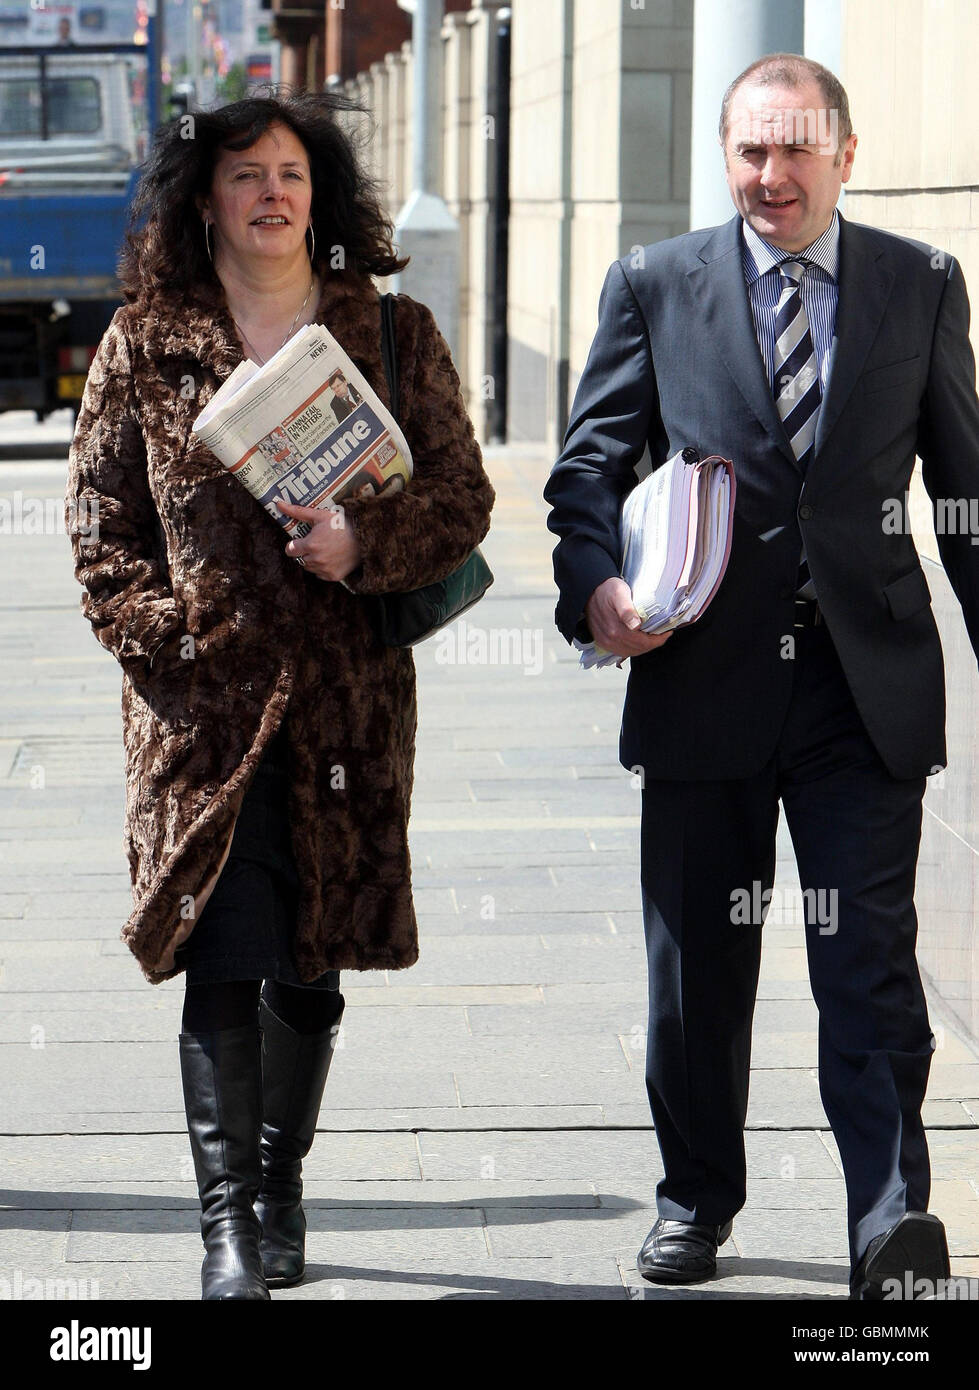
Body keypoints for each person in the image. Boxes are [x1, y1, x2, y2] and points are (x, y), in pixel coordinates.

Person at [544, 53, 979, 1299]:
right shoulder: (653, 284)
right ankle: (695, 1200)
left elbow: (960, 494)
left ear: (846, 152)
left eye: (795, 147)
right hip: (701, 677)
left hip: (863, 690)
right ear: (724, 156)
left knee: (869, 964)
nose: (770, 173)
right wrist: (597, 588)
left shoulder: (920, 284)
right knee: (696, 973)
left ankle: (890, 1223)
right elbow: (585, 471)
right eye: (749, 149)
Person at [64, 90, 495, 1300]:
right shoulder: (146, 343)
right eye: (245, 174)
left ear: (323, 196)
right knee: (221, 951)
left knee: (312, 963)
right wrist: (174, 645)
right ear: (205, 197)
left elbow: (461, 500)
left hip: (347, 713)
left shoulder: (396, 332)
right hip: (203, 718)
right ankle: (229, 1231)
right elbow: (102, 534)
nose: (271, 193)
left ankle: (282, 1176)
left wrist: (367, 545)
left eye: (291, 174)